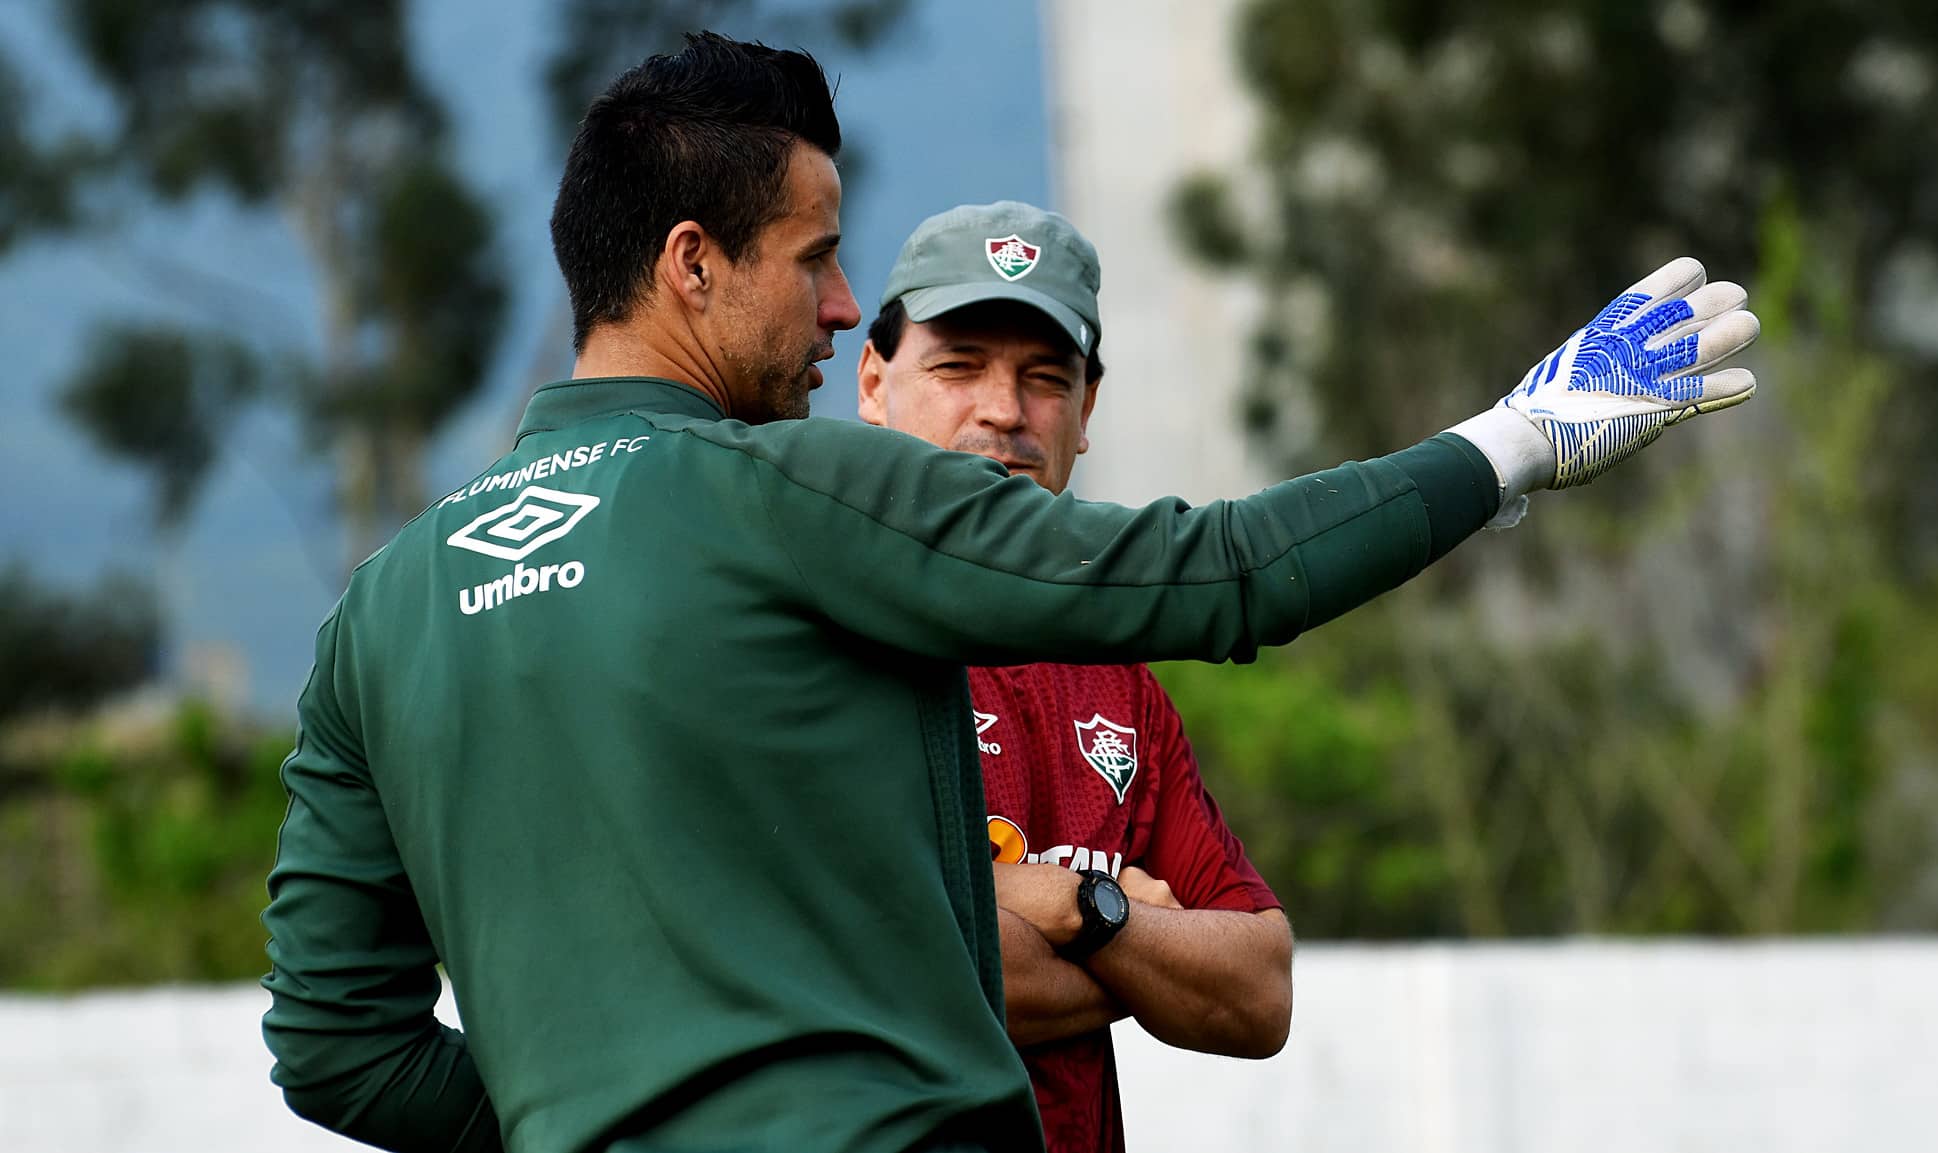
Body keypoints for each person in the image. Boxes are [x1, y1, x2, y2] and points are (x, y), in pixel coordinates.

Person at [259, 32, 1760, 1153]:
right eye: (818, 260)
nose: (841, 303)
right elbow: (1217, 572)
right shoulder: (787, 488)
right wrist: (1509, 443)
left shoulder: (378, 615)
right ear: (691, 265)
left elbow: (334, 1045)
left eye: (1044, 373)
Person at [856, 201, 1291, 1153]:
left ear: (1087, 412)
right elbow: (880, 963)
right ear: (873, 380)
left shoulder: (1117, 679)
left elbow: (1258, 991)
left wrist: (1083, 910)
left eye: (1045, 378)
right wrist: (1135, 931)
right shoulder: (815, 635)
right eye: (958, 365)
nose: (1004, 412)